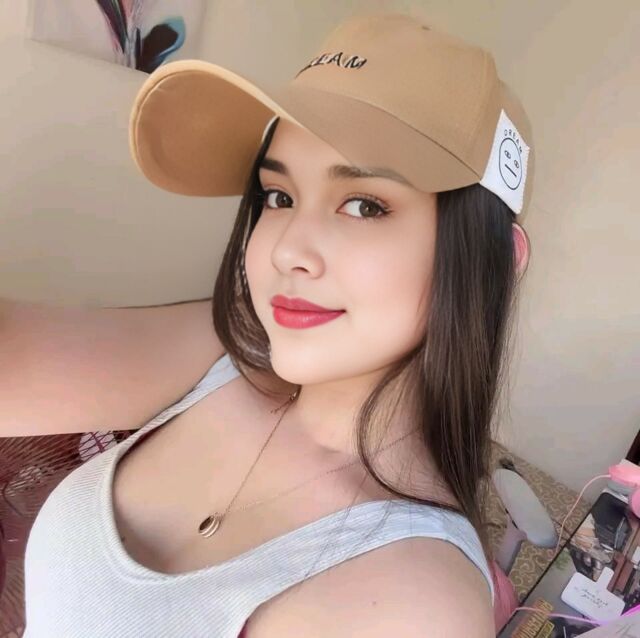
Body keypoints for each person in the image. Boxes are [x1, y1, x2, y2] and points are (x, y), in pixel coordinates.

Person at [13, 11, 534, 637]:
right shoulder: (226, 352)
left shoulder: (414, 605)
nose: (286, 250)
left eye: (365, 205)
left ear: (498, 262)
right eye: (278, 197)